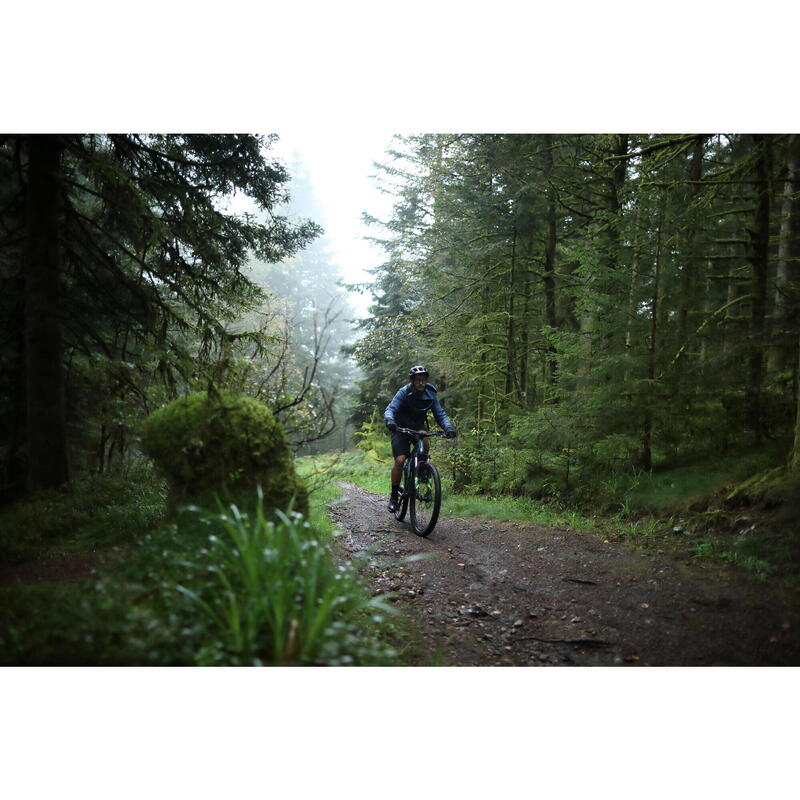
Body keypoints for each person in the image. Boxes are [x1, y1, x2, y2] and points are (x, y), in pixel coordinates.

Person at [384, 365, 456, 512]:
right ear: (412, 381)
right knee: (400, 460)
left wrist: (448, 428)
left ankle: (422, 470)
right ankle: (393, 496)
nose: (421, 383)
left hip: (417, 425)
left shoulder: (430, 392)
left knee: (425, 441)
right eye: (418, 380)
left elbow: (440, 414)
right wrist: (390, 421)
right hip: (400, 426)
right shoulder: (404, 392)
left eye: (423, 380)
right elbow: (390, 409)